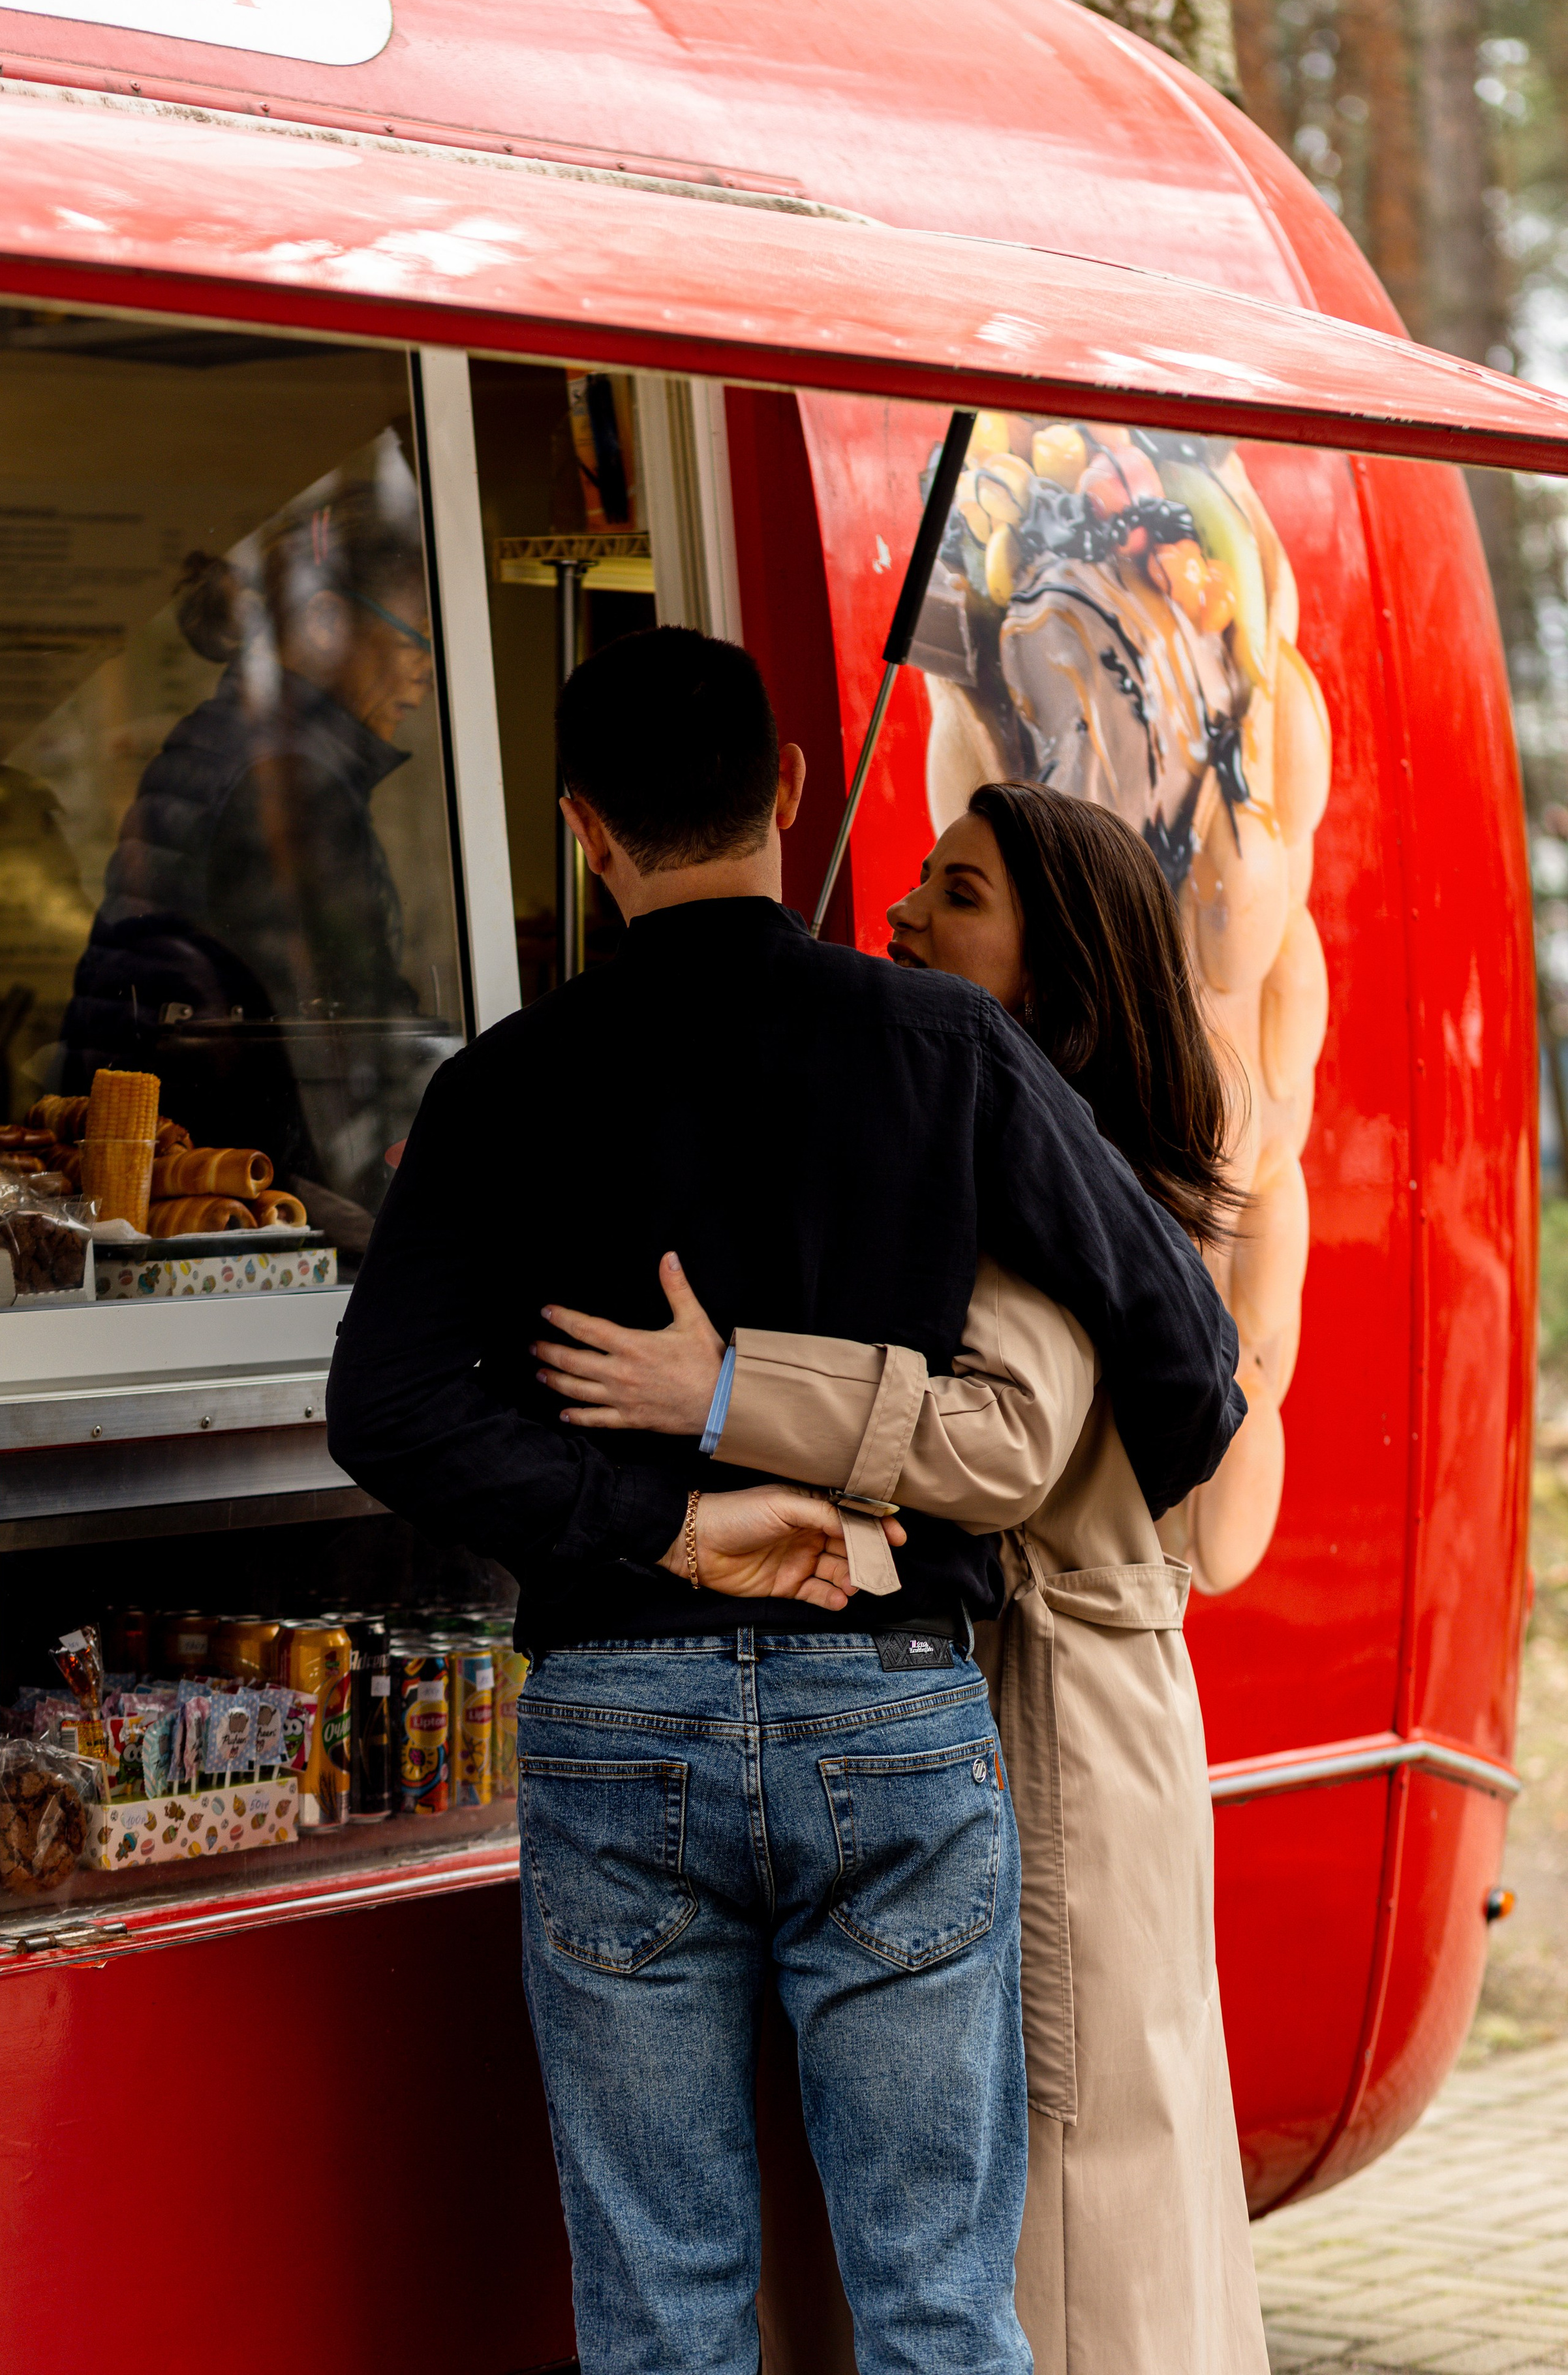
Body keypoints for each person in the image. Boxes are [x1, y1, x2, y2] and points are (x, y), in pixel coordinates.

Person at [326, 629, 1244, 2375]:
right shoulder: (942, 1052)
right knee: (932, 2304)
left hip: (617, 1713)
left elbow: (384, 1410)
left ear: (586, 829)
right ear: (793, 794)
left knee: (663, 2310)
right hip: (892, 1708)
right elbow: (1188, 1363)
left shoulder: (507, 1083)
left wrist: (660, 1523)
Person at [529, 780, 1268, 2374]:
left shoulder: (1032, 1179)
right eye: (919, 880)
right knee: (1048, 2190)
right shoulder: (1055, 1148)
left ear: (1054, 971)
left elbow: (1002, 1441)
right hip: (1075, 1714)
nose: (903, 914)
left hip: (1048, 1727)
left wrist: (721, 1391)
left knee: (1050, 2210)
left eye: (960, 894)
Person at [61, 489, 431, 1173]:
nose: (426, 670)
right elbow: (350, 1027)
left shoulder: (233, 740)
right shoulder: (289, 778)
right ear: (324, 621)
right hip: (243, 1181)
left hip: (184, 1159)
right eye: (416, 636)